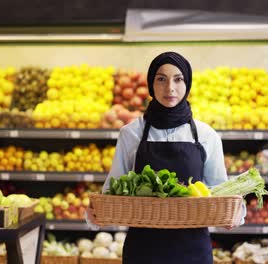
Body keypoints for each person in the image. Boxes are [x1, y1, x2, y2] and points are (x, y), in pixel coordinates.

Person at [86, 51, 245, 264]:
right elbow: (112, 189)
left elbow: (219, 190)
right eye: (161, 79)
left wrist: (235, 214)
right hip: (143, 251)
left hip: (192, 251)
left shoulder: (207, 135)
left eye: (178, 79)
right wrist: (95, 214)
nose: (170, 88)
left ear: (187, 84)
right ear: (151, 84)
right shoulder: (131, 133)